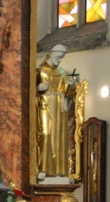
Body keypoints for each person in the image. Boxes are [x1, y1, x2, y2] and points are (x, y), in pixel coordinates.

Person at [37, 44, 77, 176]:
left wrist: (71, 86)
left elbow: (69, 92)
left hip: (60, 105)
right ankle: (42, 168)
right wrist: (38, 89)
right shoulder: (40, 71)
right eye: (58, 57)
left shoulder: (62, 72)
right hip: (45, 103)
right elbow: (28, 91)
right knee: (45, 134)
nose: (59, 61)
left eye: (62, 58)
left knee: (60, 137)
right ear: (51, 54)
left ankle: (60, 170)